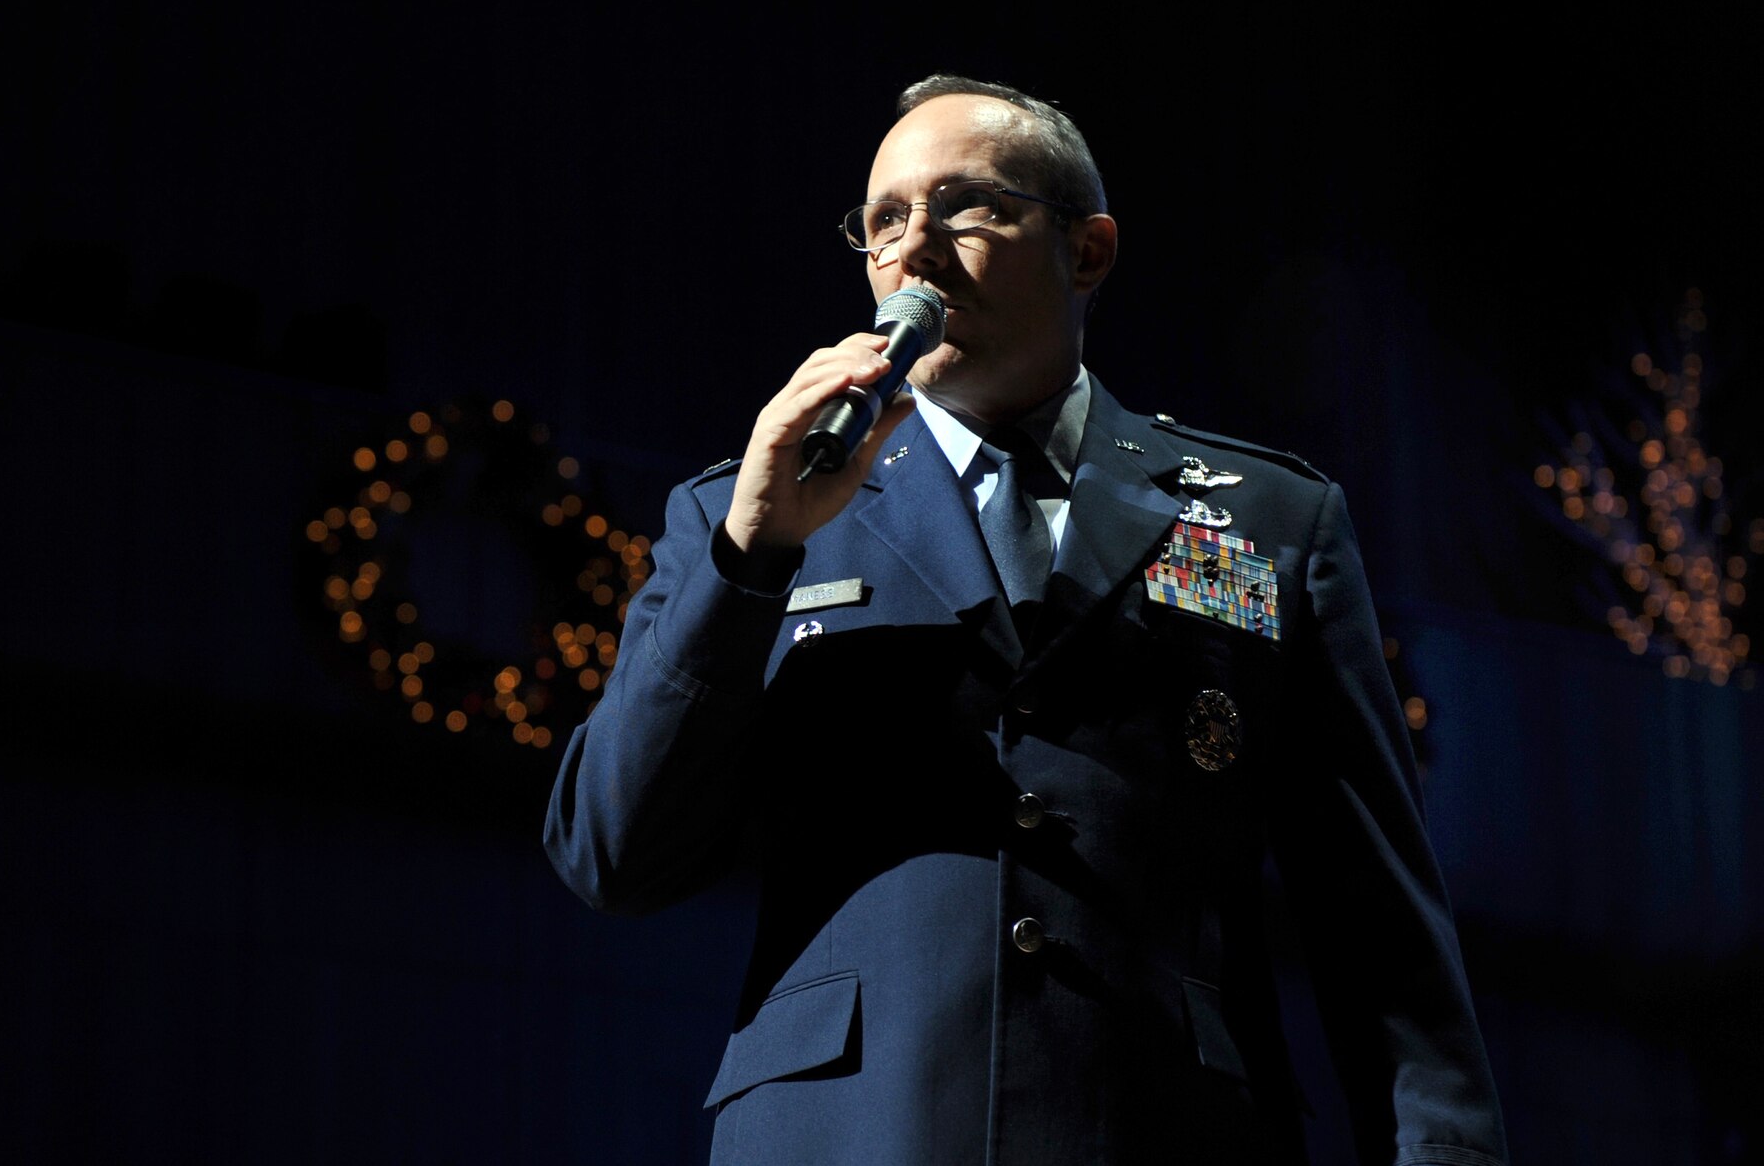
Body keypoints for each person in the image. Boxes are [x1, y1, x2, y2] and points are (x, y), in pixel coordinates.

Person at [544, 74, 1508, 1166]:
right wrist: (748, 558)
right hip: (848, 1133)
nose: (910, 250)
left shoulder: (1272, 517)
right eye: (883, 222)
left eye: (965, 206)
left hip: (1164, 1130)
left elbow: (1374, 928)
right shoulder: (747, 512)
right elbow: (614, 857)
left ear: (1085, 251)